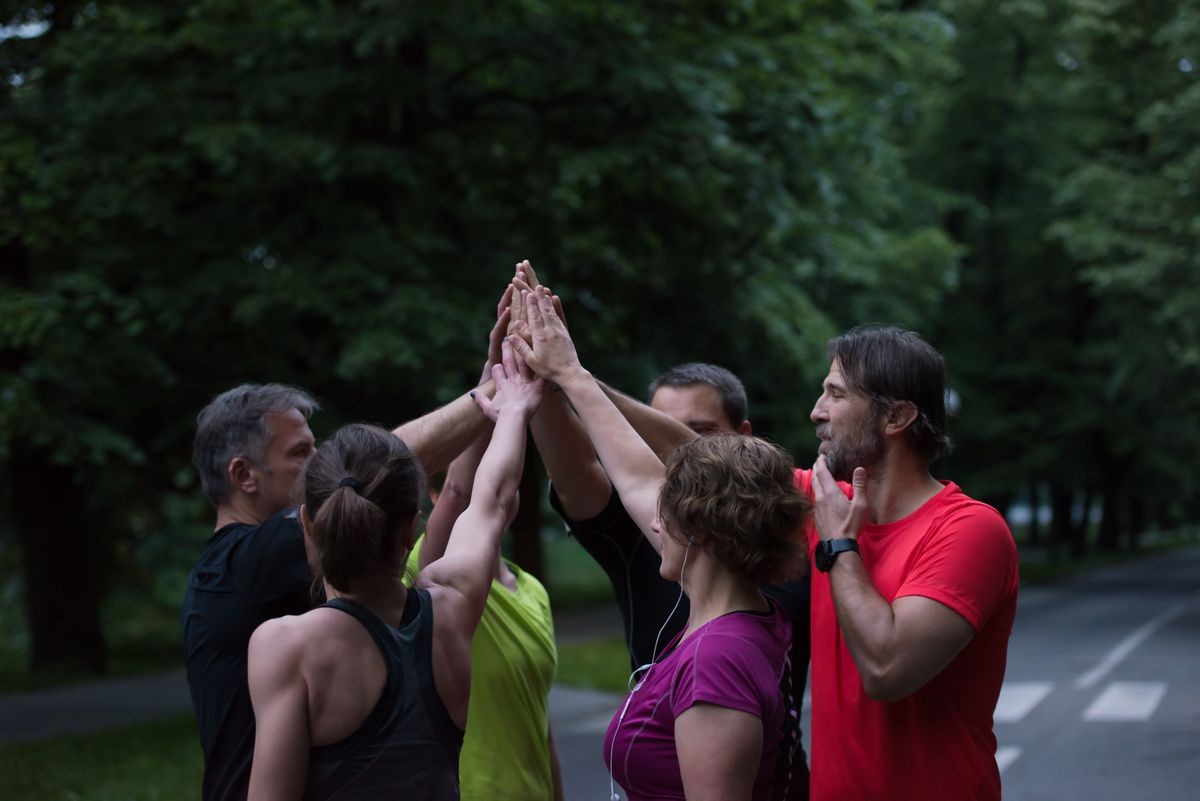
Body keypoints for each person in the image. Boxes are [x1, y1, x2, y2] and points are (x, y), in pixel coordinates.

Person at [516, 263, 810, 799]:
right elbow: (635, 475)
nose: (652, 518)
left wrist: (573, 375)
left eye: (666, 510)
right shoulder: (746, 614)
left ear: (702, 529)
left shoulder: (717, 661)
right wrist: (567, 373)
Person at [244, 337, 544, 801]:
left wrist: (498, 390)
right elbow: (493, 498)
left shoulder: (285, 646)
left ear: (306, 522)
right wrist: (514, 407)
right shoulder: (451, 610)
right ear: (412, 528)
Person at [182, 378, 495, 801]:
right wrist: (492, 394)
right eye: (300, 454)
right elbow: (371, 477)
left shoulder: (272, 569)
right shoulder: (244, 562)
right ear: (243, 474)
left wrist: (494, 381)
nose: (318, 464)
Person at [803, 326, 1018, 801]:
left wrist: (840, 545)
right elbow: (702, 468)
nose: (816, 411)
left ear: (896, 416)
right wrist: (593, 392)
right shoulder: (826, 501)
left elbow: (887, 669)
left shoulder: (971, 531)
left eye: (835, 394)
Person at [404, 306, 564, 801]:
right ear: (432, 499)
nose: (497, 486)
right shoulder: (426, 571)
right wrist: (494, 378)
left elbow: (539, 721)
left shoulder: (531, 589)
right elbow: (458, 491)